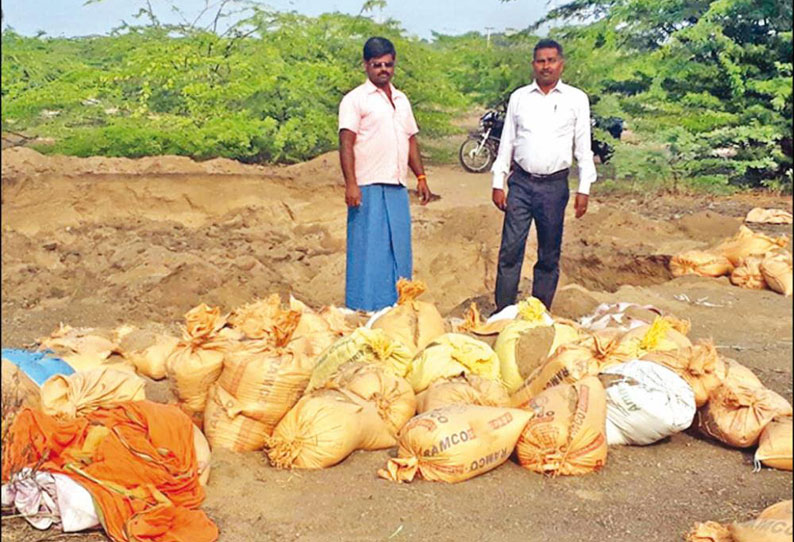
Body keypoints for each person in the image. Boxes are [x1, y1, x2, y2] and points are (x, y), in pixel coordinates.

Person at [491, 38, 596, 313]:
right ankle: (503, 310)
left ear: (561, 64)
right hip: (521, 183)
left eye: (551, 60)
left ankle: (539, 311)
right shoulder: (519, 98)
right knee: (510, 249)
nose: (545, 66)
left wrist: (584, 188)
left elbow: (583, 147)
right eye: (540, 61)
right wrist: (497, 182)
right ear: (533, 65)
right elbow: (507, 143)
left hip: (554, 186)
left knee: (549, 253)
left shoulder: (576, 99)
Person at [338, 36, 432, 312]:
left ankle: (398, 308)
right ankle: (363, 308)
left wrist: (421, 177)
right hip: (366, 185)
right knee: (368, 251)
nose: (383, 70)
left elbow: (410, 140)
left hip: (396, 186)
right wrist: (351, 184)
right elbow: (346, 142)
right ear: (366, 65)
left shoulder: (402, 100)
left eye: (388, 65)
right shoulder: (355, 100)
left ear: (394, 64)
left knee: (398, 250)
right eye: (377, 65)